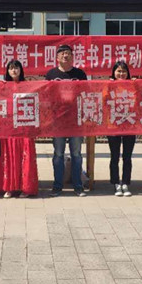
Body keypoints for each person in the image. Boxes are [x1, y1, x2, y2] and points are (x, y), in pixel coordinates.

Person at [45, 44, 88, 197]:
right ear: (57, 57)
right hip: (58, 122)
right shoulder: (51, 74)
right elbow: (46, 96)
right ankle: (57, 186)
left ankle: (78, 186)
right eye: (62, 53)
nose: (65, 55)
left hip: (75, 121)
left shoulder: (80, 74)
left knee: (76, 154)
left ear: (72, 56)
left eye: (68, 53)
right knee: (58, 154)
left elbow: (86, 94)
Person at [0, 60, 39, 198]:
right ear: (7, 71)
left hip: (25, 127)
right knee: (10, 157)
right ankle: (10, 187)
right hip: (10, 128)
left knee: (25, 157)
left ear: (21, 70)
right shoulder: (3, 87)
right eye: (11, 68)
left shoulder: (28, 86)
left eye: (16, 68)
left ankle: (26, 188)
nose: (14, 71)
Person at [107, 61, 136, 197]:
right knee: (114, 156)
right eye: (118, 71)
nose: (121, 74)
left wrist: (136, 85)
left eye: (124, 71)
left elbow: (139, 99)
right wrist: (109, 86)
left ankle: (125, 182)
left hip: (129, 124)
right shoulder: (109, 85)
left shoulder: (132, 85)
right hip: (113, 125)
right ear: (113, 73)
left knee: (127, 156)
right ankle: (115, 182)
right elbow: (104, 100)